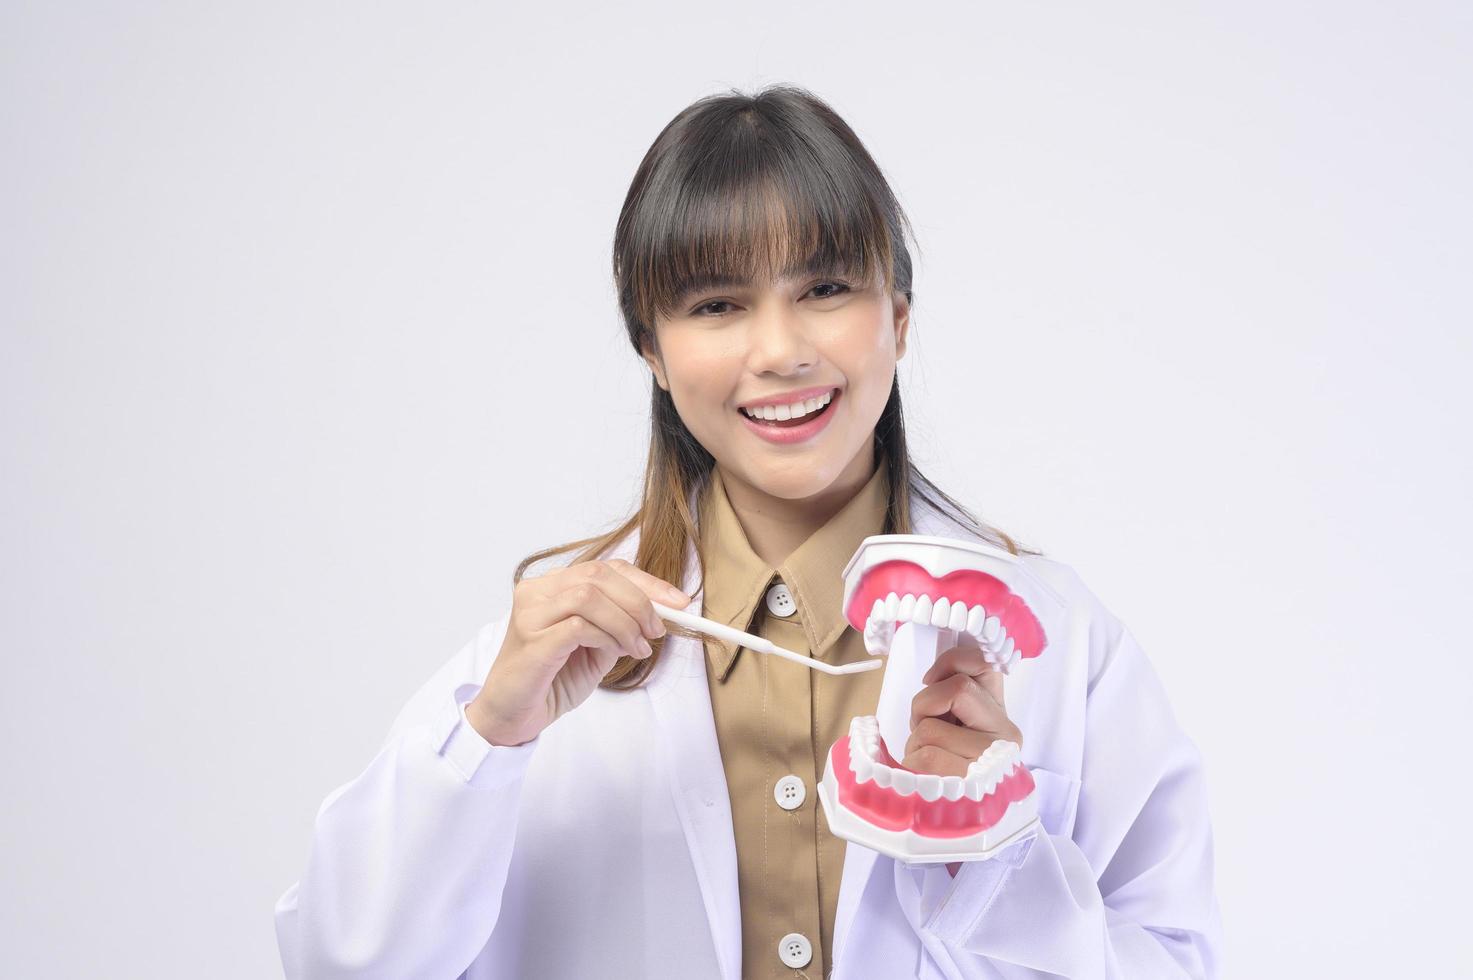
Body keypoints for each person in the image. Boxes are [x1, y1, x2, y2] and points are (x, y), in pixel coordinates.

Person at [274, 84, 1224, 979]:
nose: (779, 351)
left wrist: (994, 857)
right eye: (718, 305)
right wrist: (486, 742)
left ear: (897, 317)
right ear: (651, 348)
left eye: (824, 290)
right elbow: (340, 960)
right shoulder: (536, 671)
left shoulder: (1060, 641)